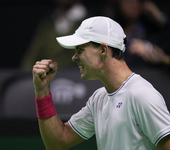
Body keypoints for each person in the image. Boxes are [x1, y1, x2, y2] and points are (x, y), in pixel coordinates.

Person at [32, 16, 170, 150]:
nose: (74, 57)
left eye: (80, 50)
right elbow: (58, 143)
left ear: (103, 50)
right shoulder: (98, 99)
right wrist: (42, 90)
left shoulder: (141, 94)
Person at [21, 0, 90, 70]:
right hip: (48, 77)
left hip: (76, 77)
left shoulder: (90, 23)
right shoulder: (47, 25)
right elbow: (32, 57)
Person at [103, 0, 170, 68]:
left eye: (137, 2)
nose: (134, 5)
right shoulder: (108, 30)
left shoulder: (147, 31)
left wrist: (161, 19)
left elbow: (162, 55)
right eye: (129, 2)